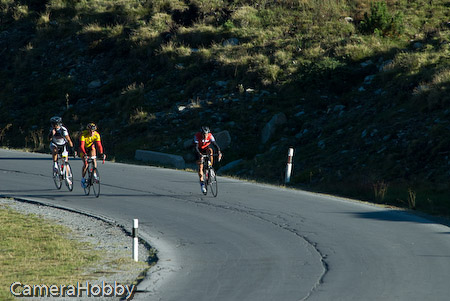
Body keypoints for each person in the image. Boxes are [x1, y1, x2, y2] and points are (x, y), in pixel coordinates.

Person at [194, 126, 222, 193]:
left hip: (206, 148)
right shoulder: (197, 136)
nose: (205, 136)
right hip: (199, 150)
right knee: (200, 167)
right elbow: (196, 147)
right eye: (203, 134)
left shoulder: (210, 135)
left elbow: (215, 144)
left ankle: (210, 166)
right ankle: (202, 185)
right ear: (201, 134)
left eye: (206, 134)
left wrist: (219, 152)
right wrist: (200, 154)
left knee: (210, 150)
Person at [79, 122, 105, 188]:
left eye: (93, 131)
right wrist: (85, 155)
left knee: (94, 158)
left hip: (90, 147)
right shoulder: (83, 134)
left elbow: (99, 145)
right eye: (90, 131)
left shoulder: (96, 135)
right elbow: (82, 146)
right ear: (88, 130)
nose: (92, 133)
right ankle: (82, 179)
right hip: (83, 148)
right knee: (86, 164)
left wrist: (101, 153)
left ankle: (94, 174)